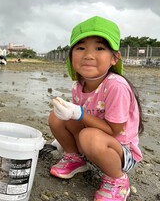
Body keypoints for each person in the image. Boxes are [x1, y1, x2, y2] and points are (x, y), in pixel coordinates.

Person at [48, 16, 143, 201]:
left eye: (99, 48)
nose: (88, 55)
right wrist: (65, 133)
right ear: (71, 55)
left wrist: (79, 113)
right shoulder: (78, 86)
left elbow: (114, 131)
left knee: (88, 135)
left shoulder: (116, 86)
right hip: (92, 142)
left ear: (115, 57)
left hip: (120, 151)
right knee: (57, 117)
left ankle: (118, 179)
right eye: (81, 48)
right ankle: (75, 158)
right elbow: (79, 122)